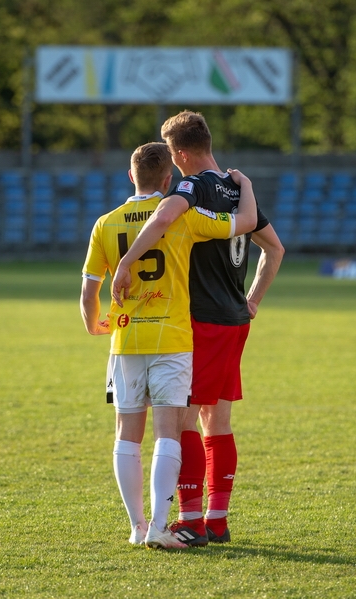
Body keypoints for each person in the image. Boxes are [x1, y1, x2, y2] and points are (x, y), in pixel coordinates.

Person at [112, 111, 284, 547]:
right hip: (235, 319)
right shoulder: (233, 186)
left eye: (172, 155)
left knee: (183, 418)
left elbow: (166, 213)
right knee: (217, 420)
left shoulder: (195, 186)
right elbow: (275, 249)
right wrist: (254, 300)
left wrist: (128, 261)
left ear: (182, 153)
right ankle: (218, 519)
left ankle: (189, 520)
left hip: (202, 319)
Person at [80, 142, 258, 549]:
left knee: (126, 435)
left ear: (130, 176)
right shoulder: (186, 218)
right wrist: (243, 183)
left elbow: (88, 290)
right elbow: (245, 221)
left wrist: (94, 325)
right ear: (168, 180)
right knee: (168, 434)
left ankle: (137, 525)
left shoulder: (105, 223)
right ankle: (162, 525)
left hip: (125, 338)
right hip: (172, 338)